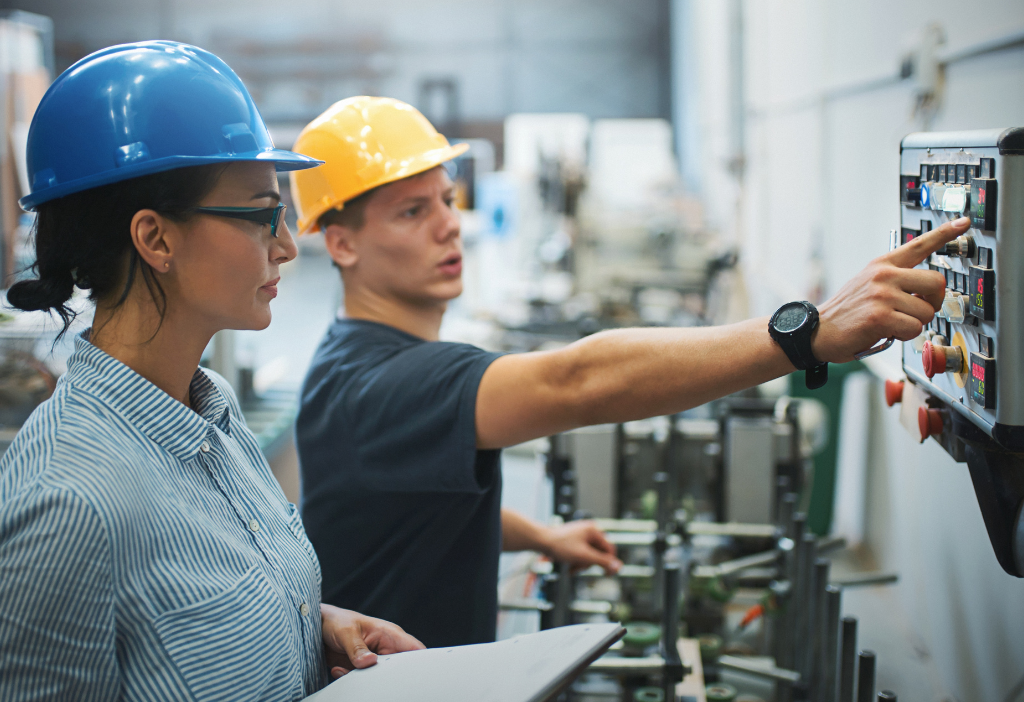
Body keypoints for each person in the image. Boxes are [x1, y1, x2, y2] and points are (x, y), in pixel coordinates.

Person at [289, 97, 968, 648]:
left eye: (445, 198)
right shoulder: (385, 386)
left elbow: (412, 504)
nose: (449, 226)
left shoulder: (349, 359)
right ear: (340, 242)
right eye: (413, 211)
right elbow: (579, 379)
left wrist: (540, 536)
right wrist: (805, 333)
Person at [0, 44, 422, 702]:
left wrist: (309, 623)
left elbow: (172, 615)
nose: (286, 245)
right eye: (262, 215)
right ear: (155, 237)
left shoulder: (210, 406)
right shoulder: (69, 501)